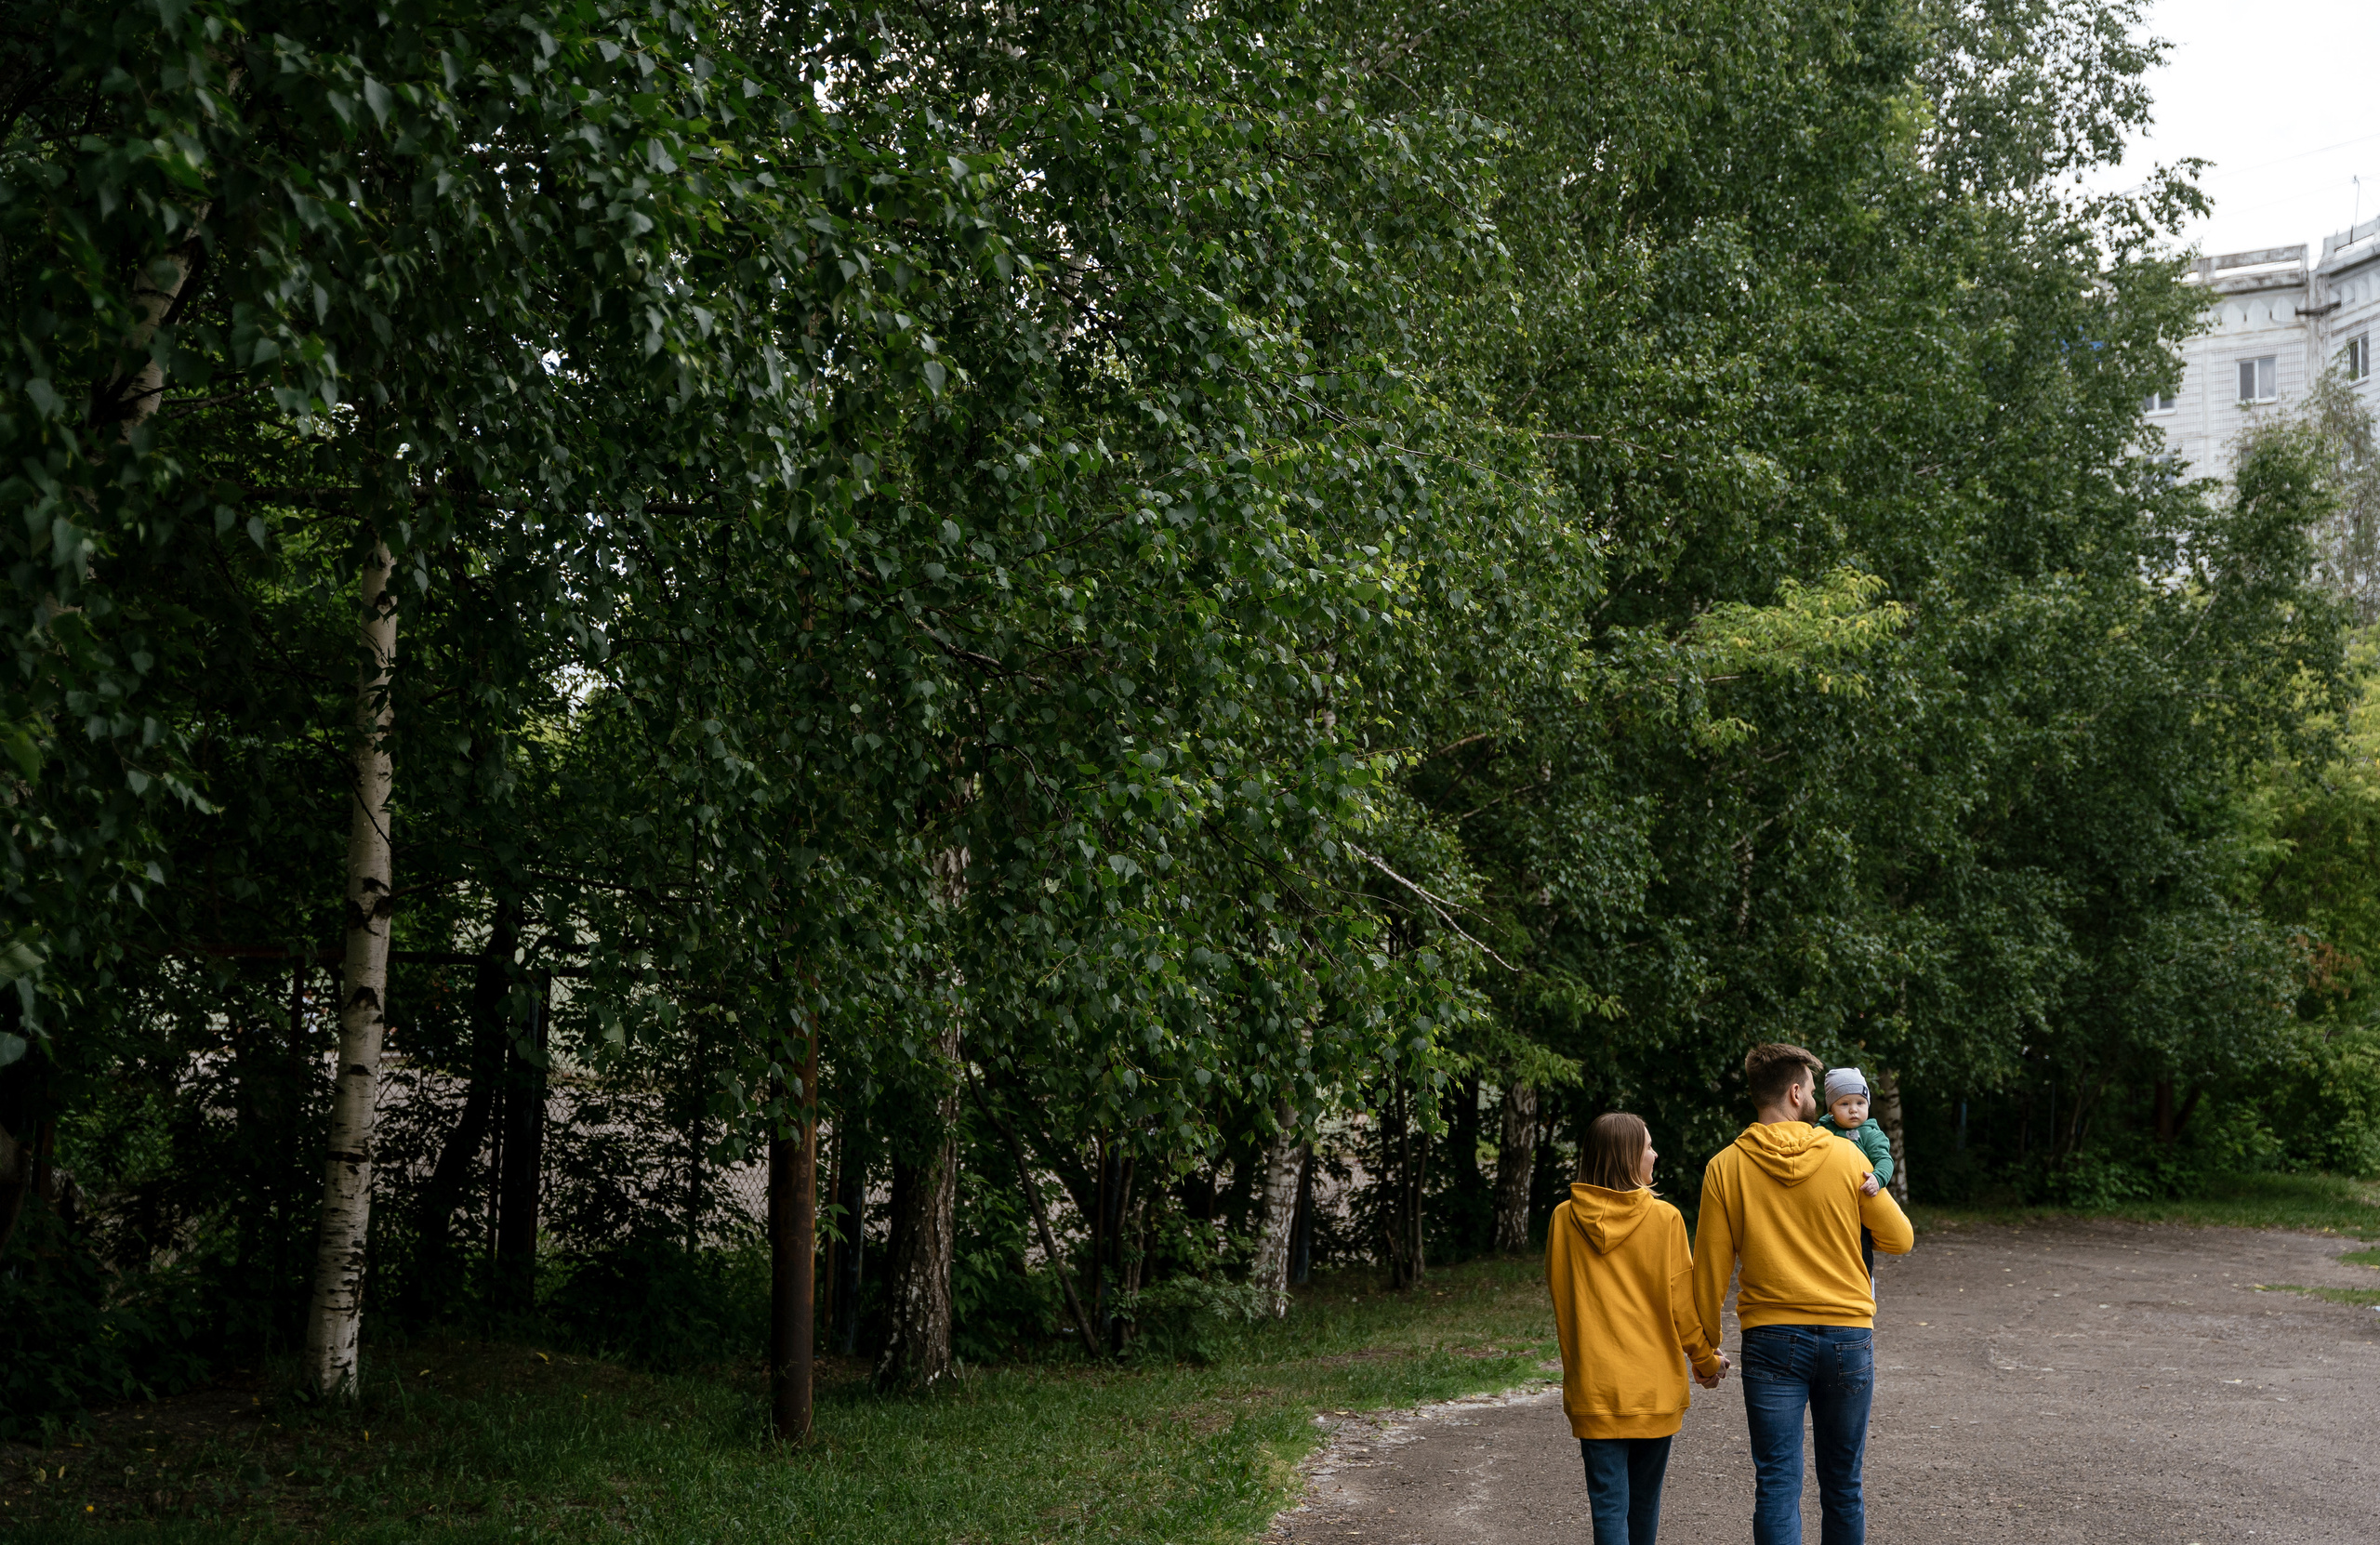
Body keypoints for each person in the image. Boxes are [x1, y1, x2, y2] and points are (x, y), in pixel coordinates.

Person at [1692, 1044, 1913, 1545]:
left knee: (1776, 1484)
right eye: (1813, 1091)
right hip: (1848, 1336)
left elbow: (1709, 1270)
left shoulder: (1725, 1167)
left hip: (1770, 1339)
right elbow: (1900, 1239)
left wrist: (1705, 1353)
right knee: (1843, 1484)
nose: (1815, 1099)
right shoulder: (1846, 1156)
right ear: (1795, 1093)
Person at [1546, 1112, 1729, 1545]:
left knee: (1609, 1506)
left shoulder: (1562, 1219)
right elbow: (1682, 1306)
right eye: (1648, 1146)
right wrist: (1705, 1361)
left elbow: (1562, 1297)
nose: (1655, 1153)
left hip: (1594, 1388)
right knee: (1644, 1505)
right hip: (1653, 1389)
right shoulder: (1664, 1219)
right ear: (1628, 1157)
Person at [1816, 1066, 1893, 1278]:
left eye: (1860, 1103)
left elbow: (1885, 1161)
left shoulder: (1870, 1133)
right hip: (1829, 1205)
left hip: (1859, 1203)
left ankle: (1865, 1286)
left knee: (1860, 1250)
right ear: (1830, 1109)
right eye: (1844, 1104)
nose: (1853, 1110)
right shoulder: (1821, 1131)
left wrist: (1877, 1179)